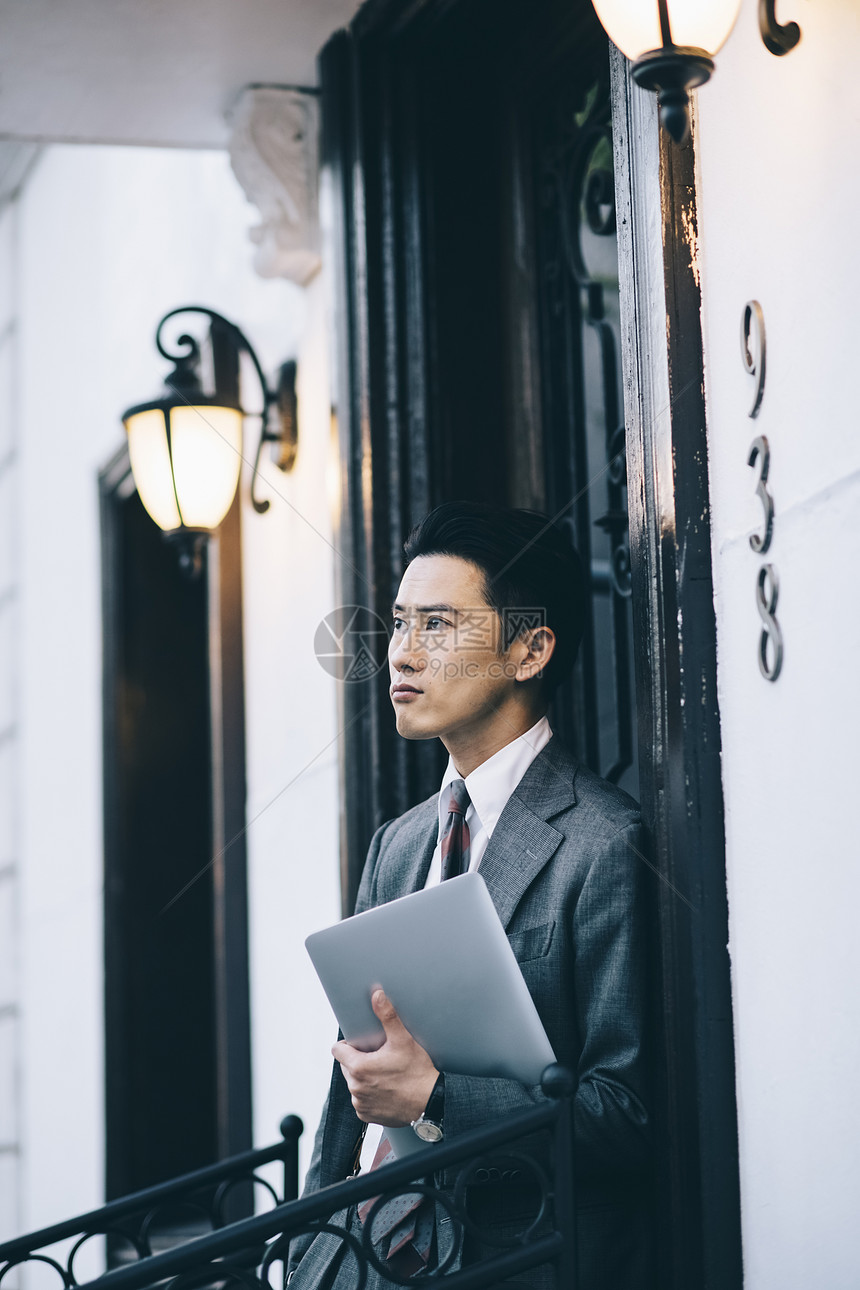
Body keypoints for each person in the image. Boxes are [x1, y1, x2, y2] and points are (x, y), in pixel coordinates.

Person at [287, 502, 651, 1289]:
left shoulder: (603, 841)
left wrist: (442, 1097)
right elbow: (351, 1085)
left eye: (439, 624)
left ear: (530, 649)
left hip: (510, 1261)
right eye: (398, 623)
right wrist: (309, 1243)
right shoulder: (400, 843)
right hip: (355, 1256)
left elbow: (625, 1116)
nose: (402, 653)